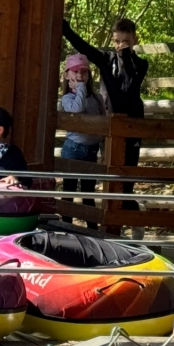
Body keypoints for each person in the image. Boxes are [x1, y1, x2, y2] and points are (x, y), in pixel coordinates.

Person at [62, 17, 149, 209]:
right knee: (110, 168)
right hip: (109, 122)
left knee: (129, 171)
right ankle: (110, 216)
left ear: (134, 39)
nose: (120, 46)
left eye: (125, 42)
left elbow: (128, 87)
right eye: (117, 41)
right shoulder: (105, 60)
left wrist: (126, 56)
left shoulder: (141, 65)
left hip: (133, 123)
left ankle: (129, 211)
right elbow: (84, 47)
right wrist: (66, 30)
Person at [59, 53, 105, 227]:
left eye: (84, 72)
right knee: (69, 191)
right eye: (75, 71)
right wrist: (80, 89)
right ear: (67, 75)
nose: (80, 75)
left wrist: (102, 149)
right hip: (73, 149)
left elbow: (103, 124)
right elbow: (77, 109)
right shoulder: (67, 98)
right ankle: (67, 227)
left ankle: (92, 229)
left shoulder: (97, 99)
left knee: (88, 193)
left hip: (91, 150)